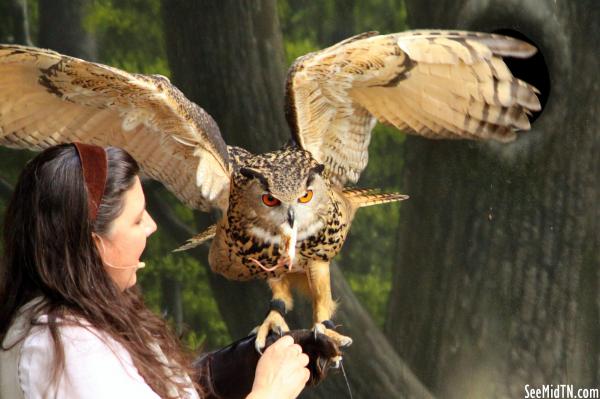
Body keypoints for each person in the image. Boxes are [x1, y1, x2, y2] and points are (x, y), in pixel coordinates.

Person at [0, 143, 340, 399]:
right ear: (93, 244)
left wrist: (240, 366)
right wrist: (268, 392)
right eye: (136, 220)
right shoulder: (66, 349)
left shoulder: (85, 314)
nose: (151, 226)